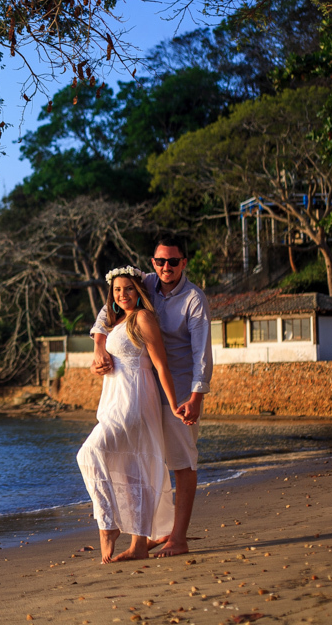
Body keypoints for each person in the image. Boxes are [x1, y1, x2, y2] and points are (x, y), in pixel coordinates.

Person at [90, 236, 213, 557]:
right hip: (139, 390)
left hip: (180, 389)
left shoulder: (194, 300)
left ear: (184, 262)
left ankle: (178, 538)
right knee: (142, 460)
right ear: (153, 262)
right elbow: (109, 310)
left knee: (181, 461)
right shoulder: (144, 281)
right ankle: (143, 538)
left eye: (173, 261)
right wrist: (99, 347)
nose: (166, 267)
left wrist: (196, 397)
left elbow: (202, 353)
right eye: (160, 261)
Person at [77, 266, 184, 562]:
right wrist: (96, 363)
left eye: (128, 289)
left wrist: (174, 404)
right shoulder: (116, 320)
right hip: (114, 395)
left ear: (139, 291)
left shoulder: (143, 317)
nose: (122, 294)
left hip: (135, 397)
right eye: (117, 290)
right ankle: (138, 544)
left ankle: (108, 525)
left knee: (89, 453)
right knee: (131, 468)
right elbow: (108, 355)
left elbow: (161, 364)